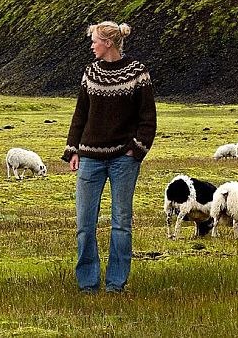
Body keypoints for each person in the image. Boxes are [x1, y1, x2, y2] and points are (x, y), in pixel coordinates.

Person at [62, 21, 157, 293]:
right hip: (90, 158)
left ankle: (116, 284)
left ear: (109, 43)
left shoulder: (138, 73)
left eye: (94, 40)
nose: (91, 45)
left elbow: (148, 118)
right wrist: (73, 150)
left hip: (123, 161)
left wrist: (136, 150)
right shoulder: (90, 73)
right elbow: (80, 114)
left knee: (121, 223)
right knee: (84, 224)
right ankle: (88, 284)